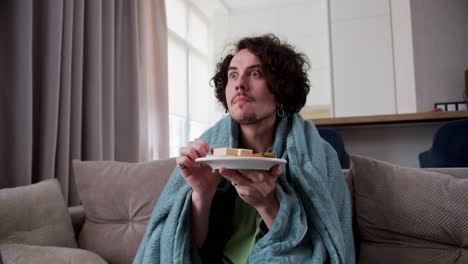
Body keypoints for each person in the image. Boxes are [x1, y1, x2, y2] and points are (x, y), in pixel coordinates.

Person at [134, 34, 355, 264]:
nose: (240, 83)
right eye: (233, 75)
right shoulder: (208, 150)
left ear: (281, 88)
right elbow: (189, 250)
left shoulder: (319, 155)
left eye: (255, 73)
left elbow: (318, 251)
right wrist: (202, 194)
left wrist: (267, 204)